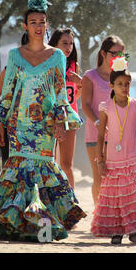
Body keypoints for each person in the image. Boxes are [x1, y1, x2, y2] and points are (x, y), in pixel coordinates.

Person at [0, 0, 86, 241]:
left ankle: (40, 226)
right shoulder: (14, 55)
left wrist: (60, 121)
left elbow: (58, 92)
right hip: (18, 124)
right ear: (25, 26)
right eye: (33, 21)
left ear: (46, 24)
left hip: (44, 126)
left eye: (42, 21)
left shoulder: (57, 56)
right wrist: (1, 123)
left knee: (42, 169)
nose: (37, 26)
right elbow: (8, 92)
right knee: (18, 170)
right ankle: (17, 223)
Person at [91, 54, 136, 244]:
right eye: (120, 84)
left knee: (131, 195)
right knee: (116, 196)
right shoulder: (105, 106)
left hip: (132, 157)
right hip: (113, 160)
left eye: (127, 83)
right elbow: (101, 136)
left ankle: (132, 230)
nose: (124, 87)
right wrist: (100, 159)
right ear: (112, 86)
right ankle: (117, 231)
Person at [81, 35, 124, 205]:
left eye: (121, 54)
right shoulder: (90, 76)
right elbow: (85, 104)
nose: (117, 57)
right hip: (95, 135)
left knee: (117, 178)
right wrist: (98, 123)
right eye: (114, 53)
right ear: (103, 53)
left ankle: (113, 217)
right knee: (99, 176)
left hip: (117, 136)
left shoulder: (121, 78)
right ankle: (99, 216)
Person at [49, 28, 82, 188]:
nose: (69, 47)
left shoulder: (74, 65)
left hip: (70, 118)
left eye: (71, 44)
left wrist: (80, 82)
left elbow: (78, 94)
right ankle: (50, 200)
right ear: (55, 44)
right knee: (49, 162)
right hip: (50, 118)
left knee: (67, 164)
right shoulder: (47, 64)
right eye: (64, 43)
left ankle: (71, 201)